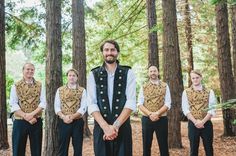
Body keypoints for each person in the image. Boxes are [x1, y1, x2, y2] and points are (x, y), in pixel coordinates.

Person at [87, 40, 136, 156]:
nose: (109, 52)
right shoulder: (93, 74)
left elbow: (131, 102)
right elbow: (92, 103)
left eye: (112, 50)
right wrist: (105, 127)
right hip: (101, 127)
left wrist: (115, 127)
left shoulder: (128, 72)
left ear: (117, 52)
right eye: (106, 50)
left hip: (122, 126)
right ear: (102, 53)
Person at [9, 63, 46, 156]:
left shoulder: (40, 85)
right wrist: (26, 116)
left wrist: (31, 115)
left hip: (36, 121)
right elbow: (13, 104)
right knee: (18, 150)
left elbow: (43, 103)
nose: (30, 71)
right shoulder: (16, 86)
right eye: (28, 69)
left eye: (32, 70)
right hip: (20, 122)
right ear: (23, 71)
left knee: (36, 150)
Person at [138, 65, 171, 156]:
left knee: (163, 145)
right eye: (151, 71)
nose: (153, 73)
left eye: (154, 71)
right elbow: (140, 104)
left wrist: (157, 113)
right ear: (148, 73)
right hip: (146, 119)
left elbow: (168, 103)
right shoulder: (144, 86)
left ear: (158, 72)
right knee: (146, 145)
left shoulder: (165, 86)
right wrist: (150, 114)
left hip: (162, 119)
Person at [182, 70, 216, 156]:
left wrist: (202, 122)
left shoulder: (209, 91)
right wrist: (195, 122)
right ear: (191, 79)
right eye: (193, 78)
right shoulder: (186, 92)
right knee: (193, 149)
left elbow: (212, 109)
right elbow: (185, 109)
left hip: (206, 124)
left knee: (209, 149)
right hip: (193, 124)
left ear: (201, 78)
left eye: (197, 77)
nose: (195, 80)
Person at [54, 68, 87, 156]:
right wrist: (64, 117)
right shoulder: (60, 90)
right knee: (63, 147)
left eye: (74, 76)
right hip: (63, 122)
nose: (72, 77)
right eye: (70, 75)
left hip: (77, 122)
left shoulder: (82, 90)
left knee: (77, 147)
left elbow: (83, 107)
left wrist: (72, 117)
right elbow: (57, 107)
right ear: (67, 77)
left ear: (77, 77)